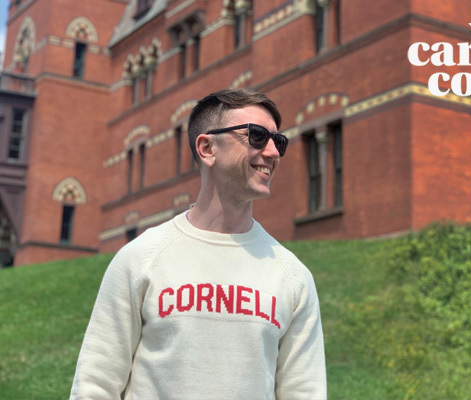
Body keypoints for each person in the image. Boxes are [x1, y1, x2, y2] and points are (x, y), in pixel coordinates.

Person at [70, 89, 327, 400]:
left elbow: (305, 393)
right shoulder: (141, 259)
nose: (273, 152)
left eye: (279, 141)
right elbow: (95, 386)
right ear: (207, 148)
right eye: (257, 136)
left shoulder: (293, 277)